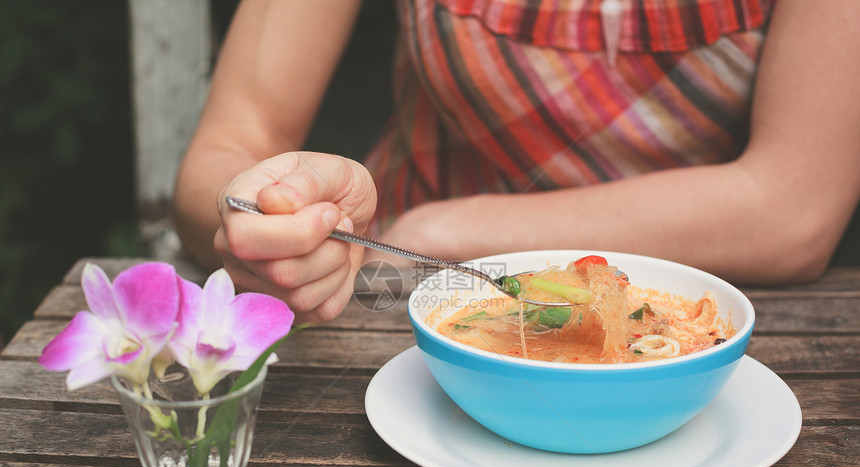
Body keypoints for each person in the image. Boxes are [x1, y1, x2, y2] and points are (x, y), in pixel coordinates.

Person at [173, 0, 860, 324]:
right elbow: (234, 137)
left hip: (693, 339)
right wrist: (261, 215)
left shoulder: (435, 234)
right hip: (383, 314)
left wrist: (445, 233)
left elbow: (793, 210)